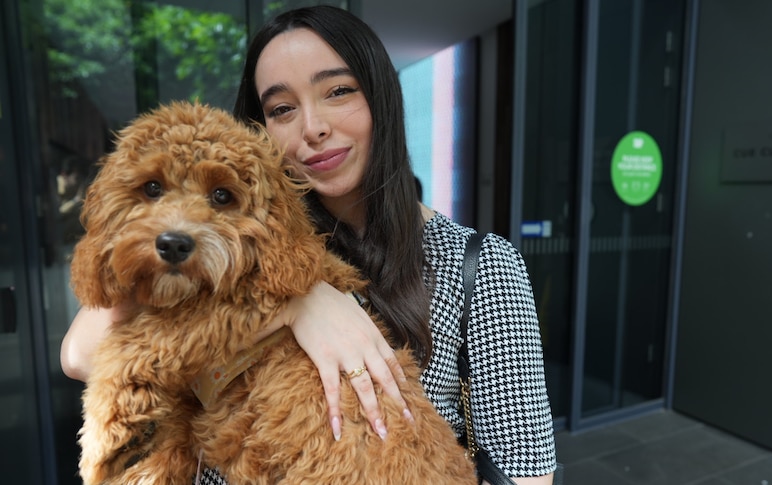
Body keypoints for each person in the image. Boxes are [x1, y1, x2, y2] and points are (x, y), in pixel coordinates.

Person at [61, 5, 557, 484]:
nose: (313, 127)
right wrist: (300, 305)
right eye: (281, 109)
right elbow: (80, 353)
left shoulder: (480, 264)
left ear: (382, 97)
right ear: (259, 132)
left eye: (338, 91)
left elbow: (526, 472)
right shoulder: (238, 235)